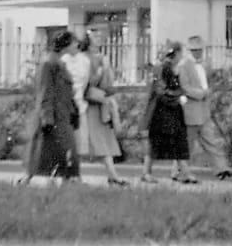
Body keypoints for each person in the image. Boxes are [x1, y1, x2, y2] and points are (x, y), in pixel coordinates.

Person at [64, 32, 128, 186]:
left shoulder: (101, 57)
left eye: (101, 36)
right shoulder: (85, 58)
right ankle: (73, 176)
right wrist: (101, 70)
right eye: (96, 36)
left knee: (103, 142)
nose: (100, 39)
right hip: (90, 105)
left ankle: (112, 176)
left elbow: (109, 82)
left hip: (100, 103)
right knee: (85, 142)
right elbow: (87, 82)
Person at [22, 30, 81, 184]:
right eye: (75, 42)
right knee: (49, 152)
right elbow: (45, 91)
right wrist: (46, 117)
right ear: (66, 44)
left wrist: (73, 112)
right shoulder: (49, 63)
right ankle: (28, 180)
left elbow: (66, 91)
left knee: (64, 151)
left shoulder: (59, 63)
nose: (77, 46)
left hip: (63, 115)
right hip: (54, 116)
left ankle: (66, 182)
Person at [175, 37, 232, 182]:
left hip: (203, 110)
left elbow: (207, 83)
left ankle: (222, 169)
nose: (198, 53)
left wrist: (208, 93)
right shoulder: (184, 65)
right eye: (194, 50)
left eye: (199, 50)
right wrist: (202, 94)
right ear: (189, 51)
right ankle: (178, 172)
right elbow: (185, 87)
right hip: (190, 110)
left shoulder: (203, 65)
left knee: (211, 141)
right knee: (187, 145)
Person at [142, 43, 191, 183]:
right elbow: (161, 91)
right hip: (162, 113)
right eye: (181, 53)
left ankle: (185, 173)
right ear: (176, 54)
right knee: (160, 143)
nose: (182, 56)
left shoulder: (169, 68)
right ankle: (146, 173)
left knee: (176, 141)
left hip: (169, 111)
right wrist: (178, 96)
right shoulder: (164, 68)